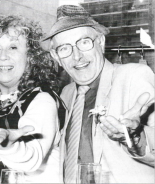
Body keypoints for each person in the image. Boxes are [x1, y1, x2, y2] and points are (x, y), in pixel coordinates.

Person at [42, 5, 155, 183]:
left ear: (100, 42)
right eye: (65, 48)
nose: (77, 56)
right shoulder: (66, 94)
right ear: (56, 58)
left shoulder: (134, 76)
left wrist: (135, 136)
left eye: (84, 42)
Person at [0, 15, 64, 183]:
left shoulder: (42, 100)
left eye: (13, 47)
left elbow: (32, 159)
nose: (3, 56)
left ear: (30, 57)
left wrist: (7, 145)